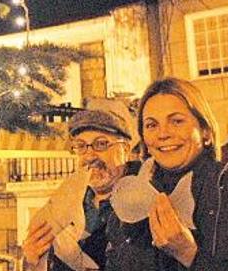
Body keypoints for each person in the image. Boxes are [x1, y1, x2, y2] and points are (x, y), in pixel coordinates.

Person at [105, 77, 228, 270]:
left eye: (177, 121)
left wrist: (189, 254)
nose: (163, 134)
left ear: (204, 130)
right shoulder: (131, 196)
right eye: (151, 125)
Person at [22, 98, 140, 271]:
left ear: (126, 150)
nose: (90, 155)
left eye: (101, 144)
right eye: (81, 146)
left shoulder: (145, 199)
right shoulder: (67, 204)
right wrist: (33, 262)